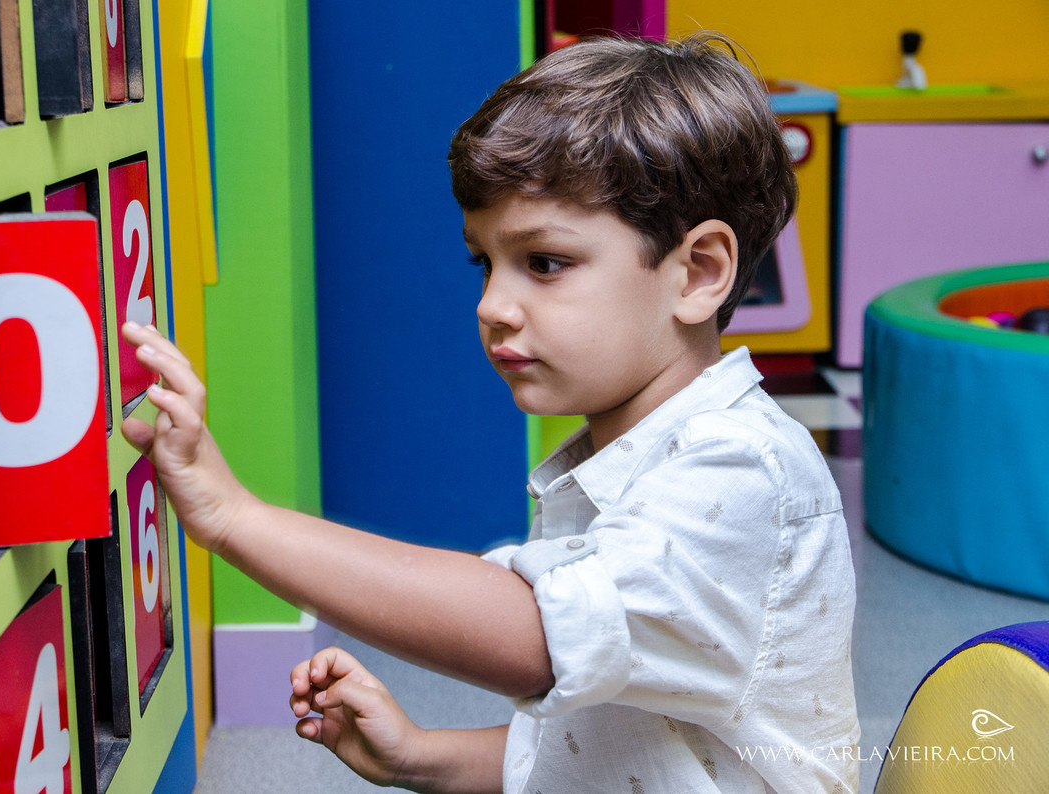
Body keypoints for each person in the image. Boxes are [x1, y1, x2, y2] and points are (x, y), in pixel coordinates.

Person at [122, 33, 859, 793]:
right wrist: (421, 757)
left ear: (698, 272)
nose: (492, 306)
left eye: (545, 262)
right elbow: (626, 741)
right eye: (486, 263)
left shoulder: (742, 472)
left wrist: (233, 516)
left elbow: (538, 635)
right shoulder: (626, 457)